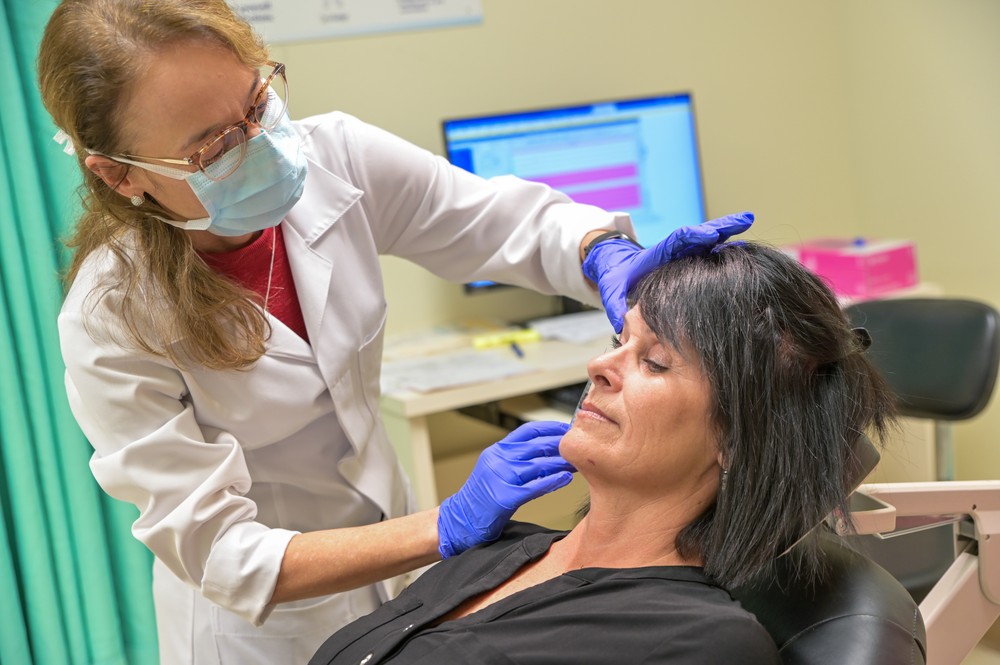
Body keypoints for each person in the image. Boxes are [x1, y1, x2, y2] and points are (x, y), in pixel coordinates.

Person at [37, 0, 754, 662]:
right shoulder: (112, 317)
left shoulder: (334, 157)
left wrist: (600, 251)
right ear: (120, 175)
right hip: (264, 632)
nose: (258, 144)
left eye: (259, 103)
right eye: (213, 147)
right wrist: (444, 524)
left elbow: (496, 221)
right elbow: (226, 553)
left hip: (410, 592)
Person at [308, 240, 897, 664]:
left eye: (655, 360)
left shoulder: (698, 642)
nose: (599, 367)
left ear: (740, 437)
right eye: (619, 341)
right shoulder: (503, 547)